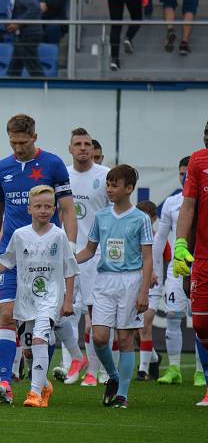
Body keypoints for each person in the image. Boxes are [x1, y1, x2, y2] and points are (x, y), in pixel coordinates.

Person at [0, 114, 77, 405]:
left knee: (39, 330)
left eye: (22, 143)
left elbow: (66, 209)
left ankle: (38, 384)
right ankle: (4, 380)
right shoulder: (2, 168)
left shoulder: (52, 164)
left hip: (44, 262)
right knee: (6, 315)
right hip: (13, 259)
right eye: (12, 143)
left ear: (34, 138)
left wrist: (71, 246)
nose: (17, 148)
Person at [75, 164, 154, 409]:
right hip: (104, 281)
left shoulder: (141, 219)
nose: (109, 189)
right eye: (108, 184)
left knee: (126, 339)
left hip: (130, 281)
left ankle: (123, 394)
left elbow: (148, 258)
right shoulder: (101, 216)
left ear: (129, 188)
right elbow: (89, 250)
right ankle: (114, 375)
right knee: (99, 338)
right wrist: (67, 262)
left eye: (114, 185)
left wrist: (143, 291)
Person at [60, 128, 110, 387]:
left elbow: (113, 217)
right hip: (67, 252)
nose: (83, 148)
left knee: (95, 313)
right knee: (66, 311)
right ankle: (71, 365)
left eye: (87, 144)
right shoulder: (62, 175)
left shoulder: (104, 176)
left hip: (96, 254)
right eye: (77, 144)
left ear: (93, 149)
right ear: (70, 149)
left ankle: (96, 369)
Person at [156, 156, 206, 386]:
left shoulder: (201, 198)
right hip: (179, 266)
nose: (185, 177)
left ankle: (199, 371)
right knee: (174, 316)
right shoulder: (172, 203)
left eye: (188, 173)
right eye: (182, 174)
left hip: (201, 263)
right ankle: (173, 368)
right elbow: (161, 237)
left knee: (200, 321)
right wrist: (153, 268)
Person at [172, 120, 208, 406]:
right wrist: (182, 244)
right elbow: (189, 206)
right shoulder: (197, 161)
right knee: (202, 326)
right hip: (204, 257)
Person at [135, 200, 163, 381]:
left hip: (153, 289)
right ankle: (154, 357)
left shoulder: (159, 238)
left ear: (153, 219)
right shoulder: (133, 236)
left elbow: (165, 259)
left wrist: (155, 274)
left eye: (146, 217)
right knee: (137, 332)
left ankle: (142, 370)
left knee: (145, 325)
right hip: (136, 286)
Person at [5, 0, 45, 78]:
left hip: (28, 33)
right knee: (14, 69)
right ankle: (9, 91)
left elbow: (35, 7)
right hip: (23, 33)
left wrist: (18, 23)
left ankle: (45, 90)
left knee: (34, 69)